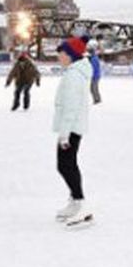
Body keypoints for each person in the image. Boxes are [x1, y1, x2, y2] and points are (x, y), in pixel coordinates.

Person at [53, 36, 94, 227]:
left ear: (70, 55)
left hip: (71, 128)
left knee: (66, 166)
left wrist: (64, 134)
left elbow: (70, 106)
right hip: (72, 126)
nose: (58, 57)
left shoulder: (74, 76)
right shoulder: (74, 72)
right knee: (67, 165)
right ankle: (75, 202)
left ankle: (81, 203)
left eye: (61, 54)